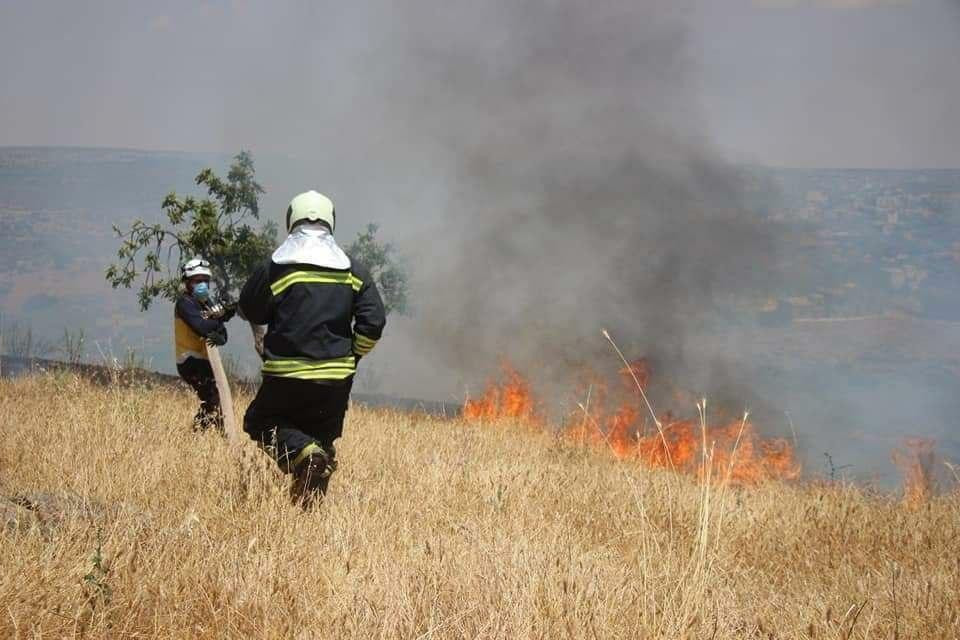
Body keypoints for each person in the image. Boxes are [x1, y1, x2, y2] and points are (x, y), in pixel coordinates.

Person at [239, 190, 386, 508]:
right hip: (336, 378)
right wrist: (354, 354)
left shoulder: (277, 268)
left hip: (286, 374)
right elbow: (373, 323)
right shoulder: (353, 271)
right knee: (320, 440)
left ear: (291, 220)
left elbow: (251, 308)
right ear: (331, 222)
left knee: (260, 422)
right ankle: (308, 513)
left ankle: (306, 460)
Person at [174, 257, 233, 431]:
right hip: (189, 360)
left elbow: (223, 333)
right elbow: (201, 327)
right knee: (213, 400)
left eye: (206, 281)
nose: (203, 285)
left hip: (206, 360)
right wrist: (219, 320)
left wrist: (218, 327)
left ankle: (202, 435)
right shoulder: (185, 303)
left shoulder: (207, 303)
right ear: (187, 282)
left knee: (215, 401)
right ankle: (199, 434)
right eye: (198, 281)